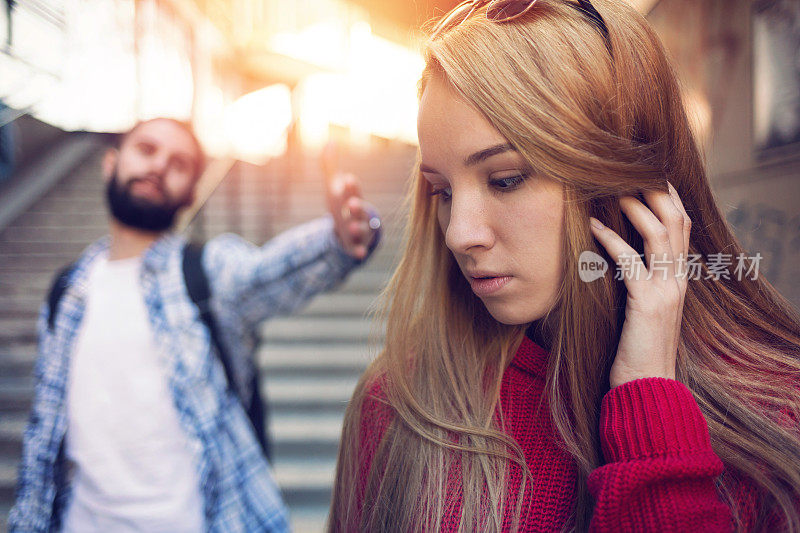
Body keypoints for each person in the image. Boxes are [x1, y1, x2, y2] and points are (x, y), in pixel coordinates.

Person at [328, 1, 800, 531]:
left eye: (505, 179)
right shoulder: (396, 404)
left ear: (628, 183)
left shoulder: (778, 421)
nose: (459, 234)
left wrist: (649, 406)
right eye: (441, 191)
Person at [9, 117, 381, 532]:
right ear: (110, 163)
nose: (159, 166)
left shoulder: (206, 272)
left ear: (191, 194)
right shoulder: (66, 292)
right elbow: (43, 435)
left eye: (179, 163)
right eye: (147, 150)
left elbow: (268, 272)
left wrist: (342, 238)